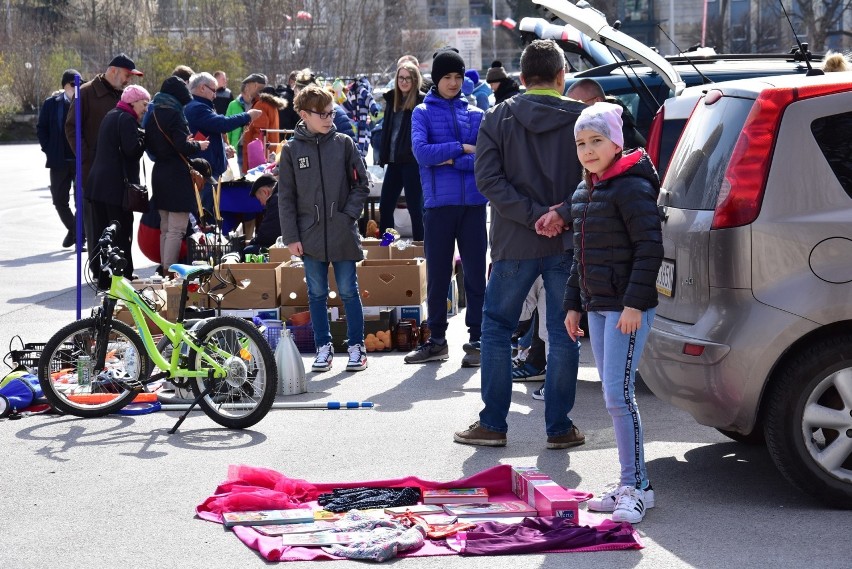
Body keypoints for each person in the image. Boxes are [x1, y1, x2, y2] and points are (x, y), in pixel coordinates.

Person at [453, 39, 586, 449]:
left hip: (513, 241)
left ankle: (493, 423)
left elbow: (488, 181)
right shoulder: (584, 119)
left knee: (497, 329)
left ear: (523, 79)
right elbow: (597, 178)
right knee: (564, 332)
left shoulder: (497, 117)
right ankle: (559, 428)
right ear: (562, 76)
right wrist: (559, 213)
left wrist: (533, 216)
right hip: (565, 240)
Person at [562, 101, 663, 524]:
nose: (588, 149)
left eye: (596, 141)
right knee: (612, 397)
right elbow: (580, 255)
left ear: (616, 143)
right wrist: (573, 304)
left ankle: (637, 487)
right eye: (581, 143)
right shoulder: (586, 190)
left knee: (620, 398)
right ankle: (630, 482)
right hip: (599, 308)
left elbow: (650, 249)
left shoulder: (632, 187)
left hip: (626, 310)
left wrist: (635, 304)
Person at [278, 85, 370, 373]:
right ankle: (323, 347)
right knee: (316, 293)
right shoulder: (292, 150)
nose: (330, 118)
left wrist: (347, 217)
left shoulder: (344, 144)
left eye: (332, 112)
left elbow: (361, 185)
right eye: (323, 114)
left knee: (348, 290)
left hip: (342, 232)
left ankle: (356, 346)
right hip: (309, 235)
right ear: (304, 115)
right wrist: (291, 237)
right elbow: (286, 198)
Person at [407, 47, 487, 367]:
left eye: (458, 76)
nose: (453, 83)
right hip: (439, 206)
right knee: (438, 276)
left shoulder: (478, 114)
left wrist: (451, 160)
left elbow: (484, 159)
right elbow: (422, 153)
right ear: (436, 80)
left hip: (473, 206)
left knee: (475, 275)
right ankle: (437, 340)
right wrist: (460, 149)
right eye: (447, 77)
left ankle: (478, 339)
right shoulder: (422, 113)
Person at [65, 53, 143, 280]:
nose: (129, 80)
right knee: (97, 226)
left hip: (121, 177)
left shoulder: (124, 95)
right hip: (94, 174)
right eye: (127, 75)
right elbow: (72, 129)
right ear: (114, 71)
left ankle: (123, 271)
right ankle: (100, 273)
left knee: (122, 226)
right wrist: (87, 159)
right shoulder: (86, 93)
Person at [85, 85, 150, 288]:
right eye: (144, 104)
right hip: (115, 190)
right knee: (120, 233)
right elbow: (132, 150)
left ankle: (103, 277)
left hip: (98, 186)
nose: (146, 109)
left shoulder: (111, 115)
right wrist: (145, 138)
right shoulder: (127, 119)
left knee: (103, 233)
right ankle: (122, 277)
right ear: (133, 102)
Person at [145, 76, 210, 274]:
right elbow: (182, 146)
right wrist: (198, 144)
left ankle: (165, 268)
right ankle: (169, 270)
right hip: (176, 176)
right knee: (177, 229)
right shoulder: (175, 115)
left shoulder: (154, 113)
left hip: (159, 173)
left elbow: (152, 144)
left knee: (166, 227)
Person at [185, 72, 261, 216]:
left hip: (208, 170)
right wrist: (247, 116)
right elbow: (222, 123)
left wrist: (223, 150)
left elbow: (211, 132)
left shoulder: (199, 106)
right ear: (202, 88)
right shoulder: (196, 108)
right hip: (204, 173)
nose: (215, 95)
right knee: (204, 216)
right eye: (213, 90)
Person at [377, 61, 425, 241]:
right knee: (385, 206)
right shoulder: (391, 99)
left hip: (412, 162)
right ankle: (386, 247)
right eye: (401, 77)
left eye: (408, 78)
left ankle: (421, 247)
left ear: (415, 80)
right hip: (394, 161)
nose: (404, 82)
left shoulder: (421, 101)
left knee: (415, 208)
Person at [38, 68, 81, 248]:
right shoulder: (51, 104)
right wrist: (49, 149)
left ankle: (79, 236)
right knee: (59, 199)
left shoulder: (83, 103)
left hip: (80, 161)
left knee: (82, 200)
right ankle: (74, 230)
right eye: (74, 84)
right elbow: (42, 129)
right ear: (65, 85)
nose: (77, 87)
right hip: (59, 160)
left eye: (80, 84)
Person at [566, 78, 646, 149]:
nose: (572, 111)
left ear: (598, 101)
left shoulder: (617, 133)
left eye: (577, 105)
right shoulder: (602, 126)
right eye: (569, 107)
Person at [226, 73, 267, 173]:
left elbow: (259, 134)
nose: (246, 89)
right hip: (245, 148)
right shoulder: (261, 103)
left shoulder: (260, 105)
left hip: (256, 154)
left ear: (255, 85)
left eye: (248, 86)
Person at [242, 85, 287, 170]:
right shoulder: (273, 106)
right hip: (270, 149)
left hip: (260, 153)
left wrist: (255, 152)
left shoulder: (261, 105)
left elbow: (260, 131)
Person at [243, 173, 281, 256]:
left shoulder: (275, 201)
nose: (261, 203)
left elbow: (266, 234)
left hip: (288, 244)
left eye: (259, 199)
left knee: (248, 251)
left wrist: (251, 242)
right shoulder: (280, 195)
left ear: (265, 192)